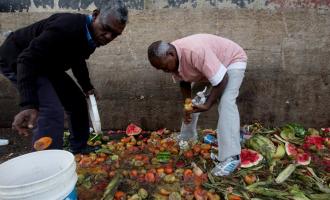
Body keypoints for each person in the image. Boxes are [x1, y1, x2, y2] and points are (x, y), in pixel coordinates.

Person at [0, 0, 128, 154]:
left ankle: (79, 148)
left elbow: (77, 60)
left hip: (47, 65)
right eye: (106, 29)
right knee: (51, 110)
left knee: (77, 102)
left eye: (115, 34)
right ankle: (48, 163)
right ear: (95, 15)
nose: (108, 36)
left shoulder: (90, 36)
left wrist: (87, 87)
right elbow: (26, 59)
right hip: (18, 58)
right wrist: (29, 104)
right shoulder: (67, 27)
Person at [147, 34, 247, 176]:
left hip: (231, 60)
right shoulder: (173, 56)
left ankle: (232, 157)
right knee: (194, 103)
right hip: (213, 66)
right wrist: (187, 107)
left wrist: (207, 105)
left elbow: (223, 79)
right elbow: (184, 81)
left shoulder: (195, 52)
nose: (165, 71)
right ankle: (188, 137)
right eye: (161, 69)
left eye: (164, 67)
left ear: (171, 54)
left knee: (226, 101)